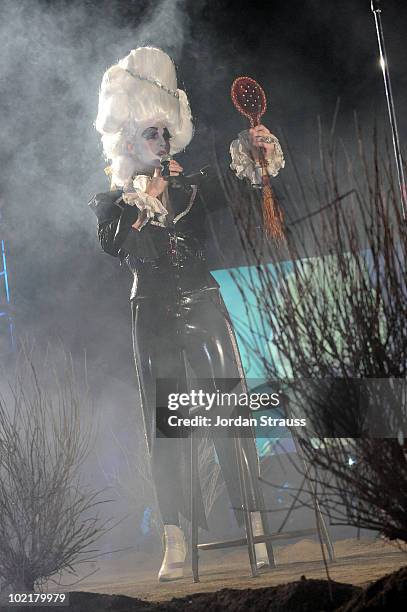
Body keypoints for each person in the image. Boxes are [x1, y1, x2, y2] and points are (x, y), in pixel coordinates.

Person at [89, 47, 284, 582]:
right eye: (152, 135)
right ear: (129, 141)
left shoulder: (192, 183)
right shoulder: (113, 202)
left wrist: (254, 152)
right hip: (150, 311)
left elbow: (238, 185)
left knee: (229, 412)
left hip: (202, 303)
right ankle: (174, 541)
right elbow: (110, 246)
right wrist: (138, 201)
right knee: (168, 425)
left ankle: (257, 532)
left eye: (166, 133)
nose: (162, 143)